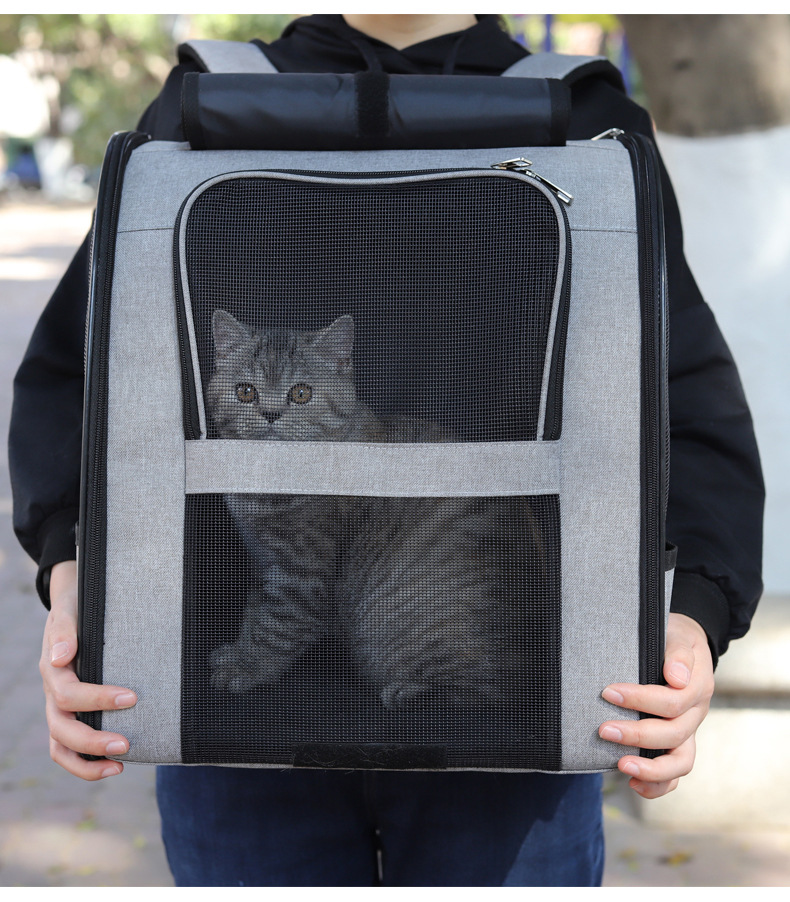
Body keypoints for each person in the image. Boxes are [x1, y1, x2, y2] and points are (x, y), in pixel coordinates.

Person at [9, 14, 764, 887]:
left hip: (508, 710)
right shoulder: (207, 97)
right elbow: (86, 370)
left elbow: (680, 390)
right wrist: (74, 583)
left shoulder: (580, 112)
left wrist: (691, 622)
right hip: (224, 719)